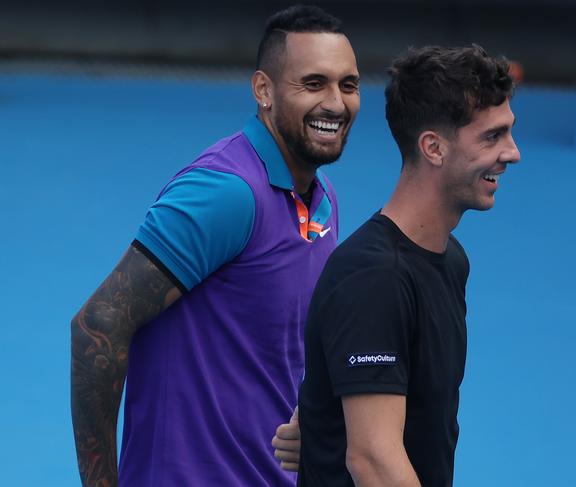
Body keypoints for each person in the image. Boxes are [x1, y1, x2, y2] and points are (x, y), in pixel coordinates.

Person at [70, 5, 360, 486]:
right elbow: (96, 328)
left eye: (347, 85)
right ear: (264, 91)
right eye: (313, 84)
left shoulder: (322, 196)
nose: (335, 102)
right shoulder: (225, 193)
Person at [296, 44, 521, 486]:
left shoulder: (451, 261)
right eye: (492, 137)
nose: (512, 153)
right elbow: (373, 460)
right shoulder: (374, 278)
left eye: (508, 133)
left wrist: (317, 418)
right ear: (433, 148)